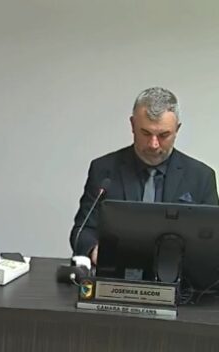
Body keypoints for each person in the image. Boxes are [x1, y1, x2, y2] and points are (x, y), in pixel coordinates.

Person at [70, 87, 218, 264]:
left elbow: (212, 240)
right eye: (146, 133)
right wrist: (95, 251)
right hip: (117, 269)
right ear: (133, 125)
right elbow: (83, 230)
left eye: (163, 135)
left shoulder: (201, 177)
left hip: (179, 273)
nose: (153, 144)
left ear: (177, 129)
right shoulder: (104, 170)